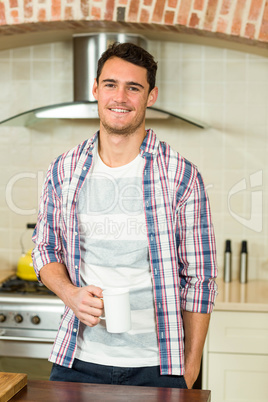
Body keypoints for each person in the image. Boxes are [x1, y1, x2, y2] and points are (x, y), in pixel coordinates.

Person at [32, 42, 218, 389]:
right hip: (77, 361)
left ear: (151, 95)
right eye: (110, 84)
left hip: (158, 366)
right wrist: (69, 292)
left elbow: (200, 278)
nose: (120, 96)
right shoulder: (64, 169)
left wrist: (189, 369)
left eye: (134, 87)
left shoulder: (181, 176)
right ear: (95, 89)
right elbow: (45, 248)